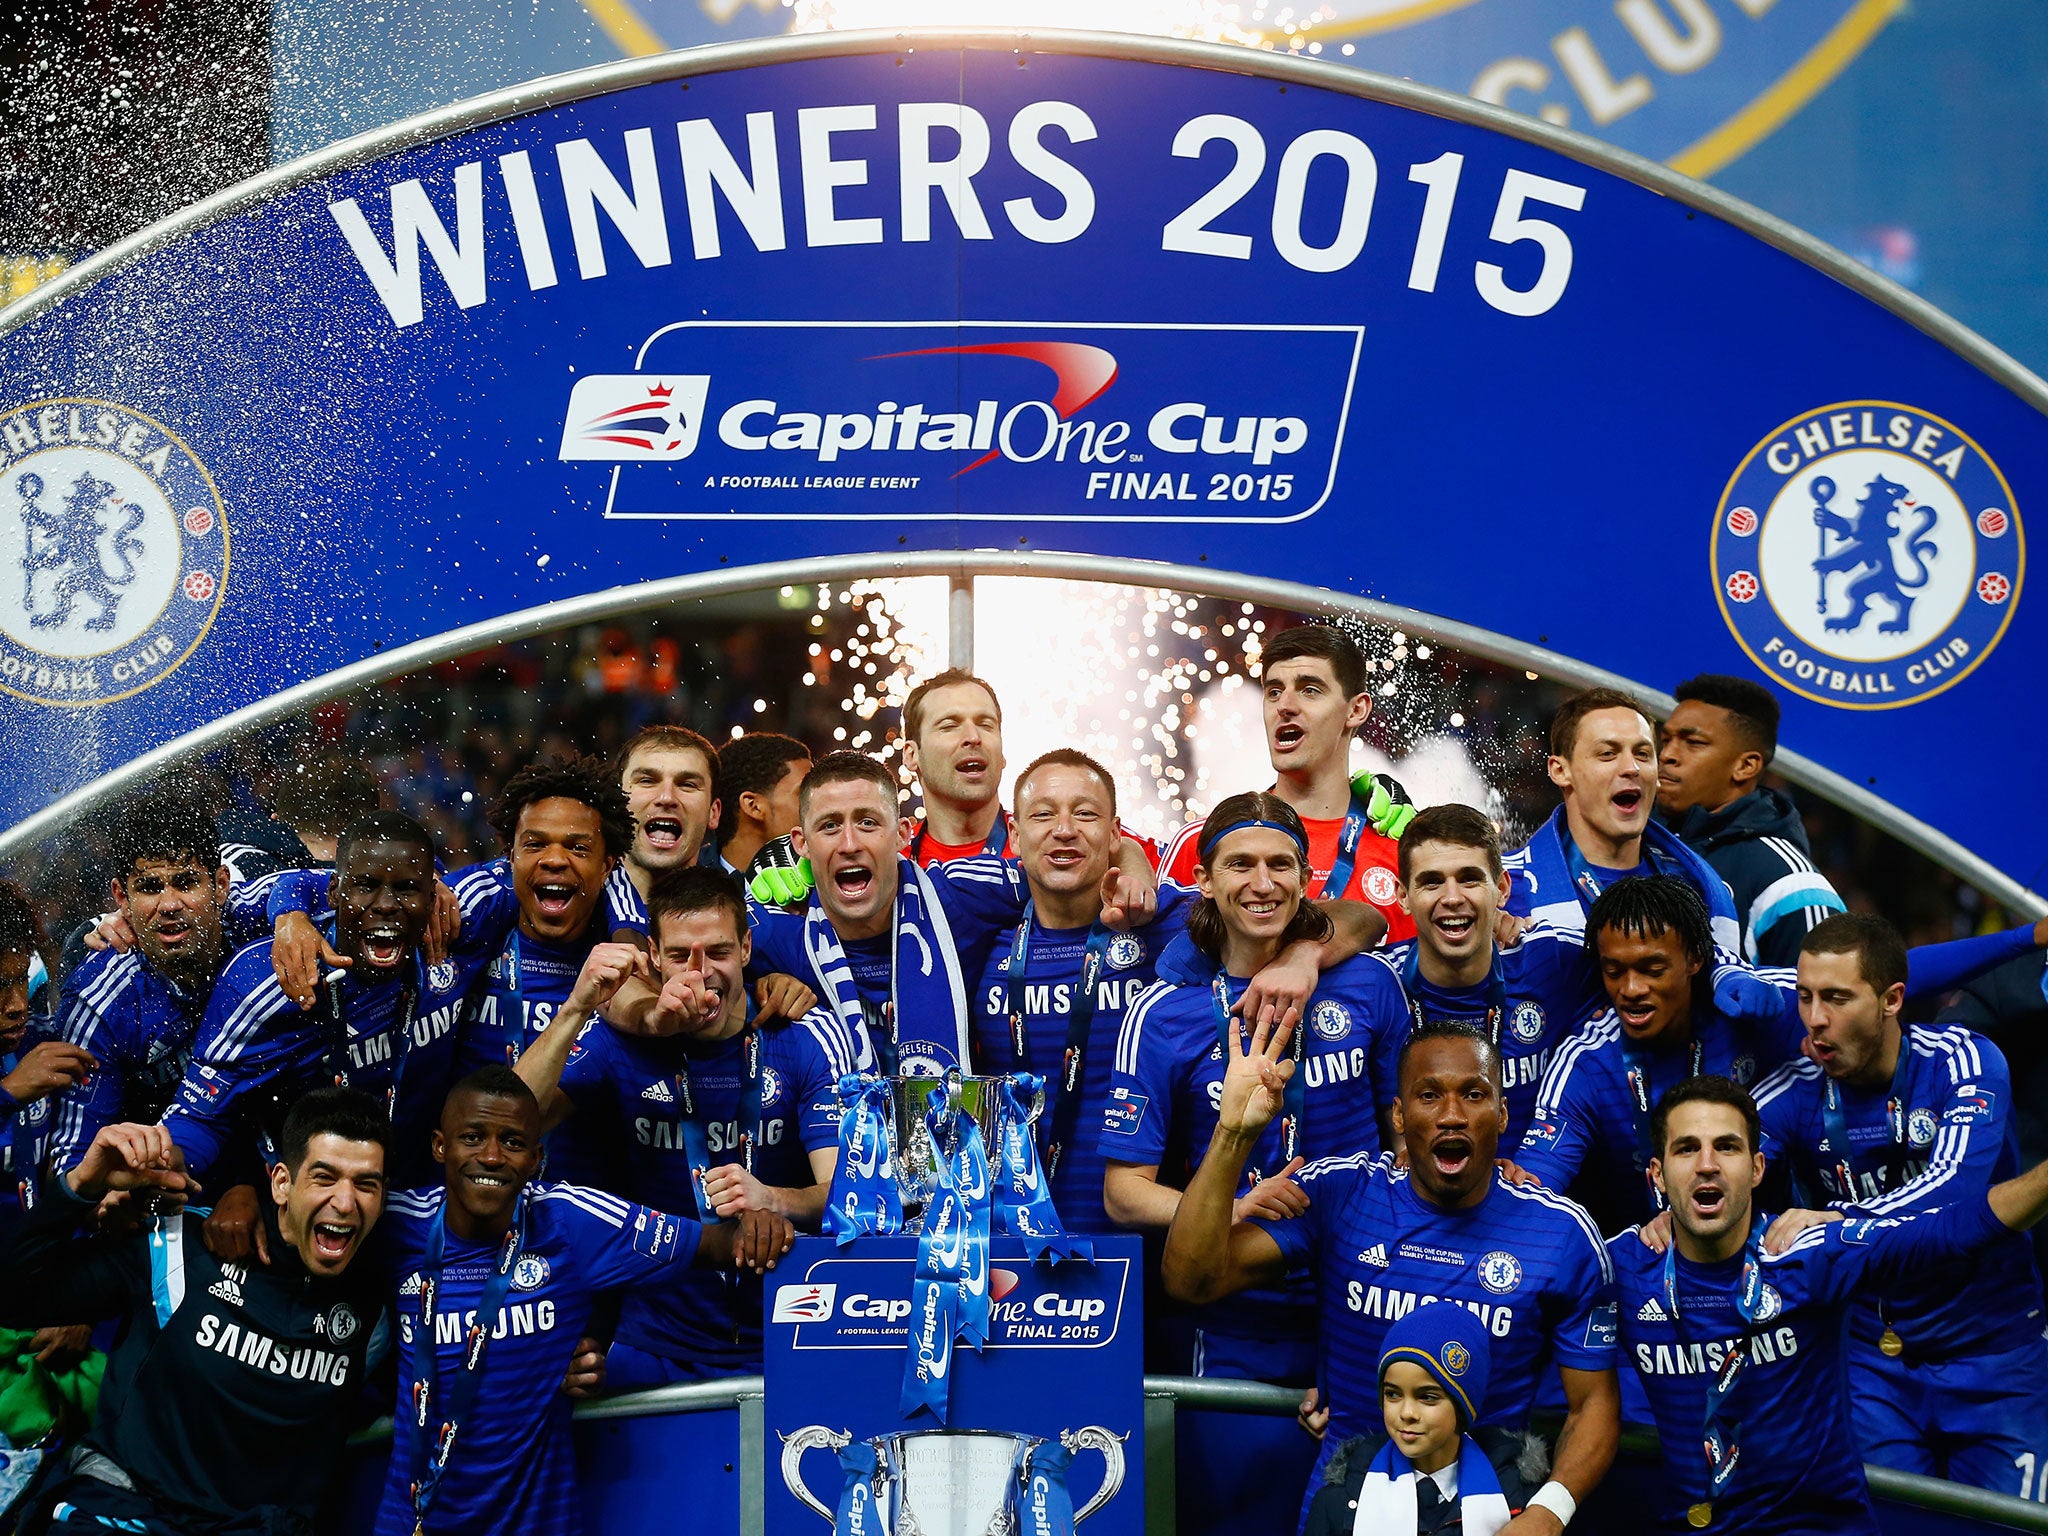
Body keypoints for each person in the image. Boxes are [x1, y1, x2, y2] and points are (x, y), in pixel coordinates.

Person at [1161, 1018, 1618, 1530]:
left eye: (1474, 1094)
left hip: (1493, 1512)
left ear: (1504, 1112)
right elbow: (1191, 1280)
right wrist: (1233, 1134)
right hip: (1347, 1508)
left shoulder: (1561, 1235)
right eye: (1428, 1096)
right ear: (1398, 1115)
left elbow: (1593, 1404)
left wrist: (1550, 1512)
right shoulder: (1342, 1194)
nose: (1451, 1115)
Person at [1615, 1075, 2048, 1535]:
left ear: (1758, 1167)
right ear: (1657, 1175)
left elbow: (1955, 1230)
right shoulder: (1620, 1270)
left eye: (1726, 1147)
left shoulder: (1813, 1253)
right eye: (1686, 1149)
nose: (1707, 1165)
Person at [372, 1066, 793, 1536]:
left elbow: (712, 1244)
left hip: (537, 1525)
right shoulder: (396, 1225)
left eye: (512, 1142)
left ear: (536, 1158)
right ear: (439, 1146)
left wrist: (763, 1223)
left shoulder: (571, 1220)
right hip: (411, 1523)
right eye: (472, 1137)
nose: (491, 1156)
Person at [1519, 877, 2044, 1233]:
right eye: (1614, 971)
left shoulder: (1757, 1004)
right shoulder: (1585, 1063)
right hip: (1659, 1251)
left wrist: (2026, 938)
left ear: (1696, 960)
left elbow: (1889, 973)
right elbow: (1539, 1181)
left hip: (1783, 1247)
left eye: (1652, 969)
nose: (1630, 988)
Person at [513, 868, 864, 1383]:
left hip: (791, 1333)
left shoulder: (806, 1038)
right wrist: (575, 1008)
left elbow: (851, 1195)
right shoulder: (619, 1040)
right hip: (654, 1341)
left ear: (747, 947)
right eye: (680, 956)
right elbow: (509, 1123)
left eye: (719, 952)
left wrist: (774, 1199)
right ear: (652, 956)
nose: (701, 974)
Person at [1105, 793, 1407, 1387]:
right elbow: (1123, 1194)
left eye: (1280, 864)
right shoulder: (1163, 1012)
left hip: (1359, 1313)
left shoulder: (1371, 983)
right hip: (1228, 1325)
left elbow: (1404, 1141)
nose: (1262, 883)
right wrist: (1233, 1208)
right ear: (1204, 881)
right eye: (1240, 865)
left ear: (1303, 877)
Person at [0, 1090, 392, 1536]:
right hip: (126, 1514)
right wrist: (82, 1186)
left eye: (366, 1184)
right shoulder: (179, 1245)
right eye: (325, 1178)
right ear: (282, 1182)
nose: (345, 1202)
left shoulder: (378, 1305)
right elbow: (15, 1296)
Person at [1752, 912, 2048, 1493]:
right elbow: (1729, 1185)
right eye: (1805, 997)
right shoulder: (1790, 1092)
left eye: (1836, 998)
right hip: (1871, 1363)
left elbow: (1956, 1193)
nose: (1814, 1020)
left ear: (1891, 999)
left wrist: (1838, 1222)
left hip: (1996, 1354)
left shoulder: (1963, 1063)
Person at [747, 752, 1153, 1080]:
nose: (850, 843)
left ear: (904, 833)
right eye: (830, 826)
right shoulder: (779, 930)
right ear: (800, 842)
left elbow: (1066, 860)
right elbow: (696, 962)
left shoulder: (959, 890)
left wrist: (1133, 870)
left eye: (868, 823)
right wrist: (758, 988)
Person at [163, 811, 484, 1190]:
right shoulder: (267, 980)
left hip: (428, 1198)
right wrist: (160, 1165)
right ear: (334, 892)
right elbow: (203, 1116)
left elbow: (527, 875)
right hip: (319, 1202)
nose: (385, 904)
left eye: (407, 889)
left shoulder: (461, 926)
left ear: (433, 897)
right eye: (365, 885)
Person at [1161, 623, 1416, 943]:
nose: (1285, 706)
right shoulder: (1201, 842)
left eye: (1310, 690)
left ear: (1356, 709)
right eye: (1274, 691)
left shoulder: (1406, 849)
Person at [1378, 805, 1602, 1148]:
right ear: (1403, 896)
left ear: (1502, 888)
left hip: (1529, 1188)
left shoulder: (1553, 961)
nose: (1452, 898)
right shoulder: (1376, 984)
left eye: (1469, 878)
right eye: (1432, 882)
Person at [47, 794, 234, 1176]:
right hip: (155, 1191)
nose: (169, 904)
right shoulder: (96, 1003)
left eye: (185, 883)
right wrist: (123, 1197)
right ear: (121, 898)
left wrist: (242, 1182)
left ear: (220, 885)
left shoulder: (260, 934)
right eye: (150, 887)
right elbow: (72, 1164)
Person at [1503, 688, 1741, 960]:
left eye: (1642, 754)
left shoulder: (1698, 889)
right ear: (1560, 770)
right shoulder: (1500, 889)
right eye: (1607, 754)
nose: (1632, 768)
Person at [1655, 676, 1843, 967]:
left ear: (1745, 765)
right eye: (1666, 740)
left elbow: (1824, 1005)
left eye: (1693, 743)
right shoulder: (1640, 843)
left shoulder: (1789, 882)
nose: (1667, 755)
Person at [1305, 1302, 1513, 1536]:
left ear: (1463, 1405)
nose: (1407, 1413)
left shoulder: (1515, 1498)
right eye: (1392, 1394)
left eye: (1427, 1397)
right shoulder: (1339, 1499)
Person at [604, 724, 726, 937]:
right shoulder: (573, 910)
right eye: (647, 781)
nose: (666, 798)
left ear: (713, 813)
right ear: (617, 802)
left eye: (687, 784)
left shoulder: (739, 914)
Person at [901, 669, 1011, 863]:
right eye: (949, 726)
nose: (973, 737)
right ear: (912, 755)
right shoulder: (892, 865)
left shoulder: (1041, 849)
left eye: (985, 725)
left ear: (1002, 754)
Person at [715, 732, 810, 876]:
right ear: (754, 806)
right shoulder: (684, 889)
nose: (820, 806)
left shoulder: (827, 887)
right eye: (803, 793)